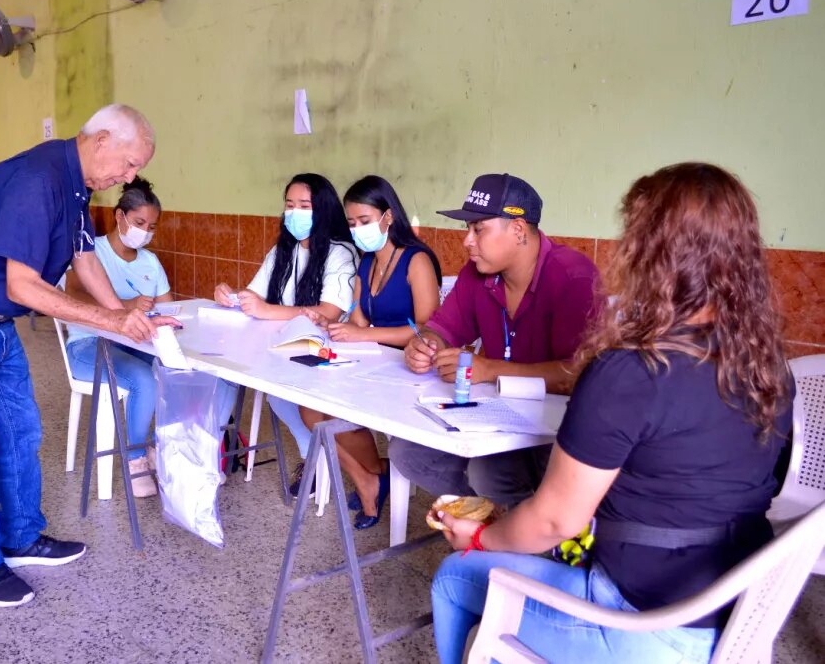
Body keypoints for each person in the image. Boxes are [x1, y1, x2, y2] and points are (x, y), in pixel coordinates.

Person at [430, 162, 794, 663]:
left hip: (643, 627)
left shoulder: (628, 372)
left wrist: (481, 535)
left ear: (650, 253)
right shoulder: (767, 365)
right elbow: (765, 485)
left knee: (455, 578)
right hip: (740, 616)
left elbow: (556, 521)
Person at [0, 104, 174, 608]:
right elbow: (22, 283)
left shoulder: (73, 183)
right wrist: (109, 321)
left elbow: (83, 254)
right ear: (101, 141)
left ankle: (22, 536)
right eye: (130, 162)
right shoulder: (40, 179)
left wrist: (125, 318)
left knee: (20, 429)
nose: (130, 175)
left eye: (136, 168)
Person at [391, 173, 601, 507]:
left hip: (557, 430)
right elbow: (442, 330)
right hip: (494, 416)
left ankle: (527, 536)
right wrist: (425, 345)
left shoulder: (572, 277)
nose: (467, 242)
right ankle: (494, 519)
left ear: (518, 230)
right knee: (406, 451)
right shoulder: (478, 273)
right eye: (467, 230)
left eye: (479, 229)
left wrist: (489, 370)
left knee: (488, 472)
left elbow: (577, 376)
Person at [299, 175, 442, 528]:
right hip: (375, 361)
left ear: (388, 216)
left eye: (365, 221)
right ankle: (374, 474)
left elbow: (428, 329)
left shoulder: (416, 260)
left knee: (321, 411)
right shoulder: (366, 261)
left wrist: (364, 334)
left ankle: (372, 480)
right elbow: (359, 317)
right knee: (310, 407)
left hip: (414, 370)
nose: (359, 229)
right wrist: (336, 325)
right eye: (352, 223)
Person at [213, 173, 358, 495]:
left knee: (280, 385)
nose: (294, 213)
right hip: (282, 345)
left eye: (304, 206)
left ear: (323, 210)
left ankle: (316, 459)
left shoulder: (340, 253)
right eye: (289, 205)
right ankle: (312, 456)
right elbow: (255, 295)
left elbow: (328, 313)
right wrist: (231, 295)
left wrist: (265, 310)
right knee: (271, 389)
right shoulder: (283, 250)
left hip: (328, 349)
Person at [64, 177, 171, 498]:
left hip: (134, 343)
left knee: (178, 370)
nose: (145, 232)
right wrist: (125, 307)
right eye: (139, 222)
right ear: (119, 216)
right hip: (87, 345)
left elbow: (170, 309)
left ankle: (167, 449)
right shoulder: (90, 252)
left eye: (151, 227)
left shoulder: (150, 262)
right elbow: (73, 296)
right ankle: (136, 458)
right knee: (144, 378)